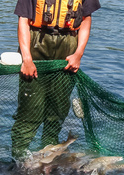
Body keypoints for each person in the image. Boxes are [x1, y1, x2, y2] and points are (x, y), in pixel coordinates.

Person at [10, 0, 101, 159]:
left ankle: (48, 160)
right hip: (36, 46)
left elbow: (86, 19)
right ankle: (18, 160)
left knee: (57, 111)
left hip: (68, 49)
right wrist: (27, 59)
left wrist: (78, 54)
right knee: (29, 112)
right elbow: (23, 20)